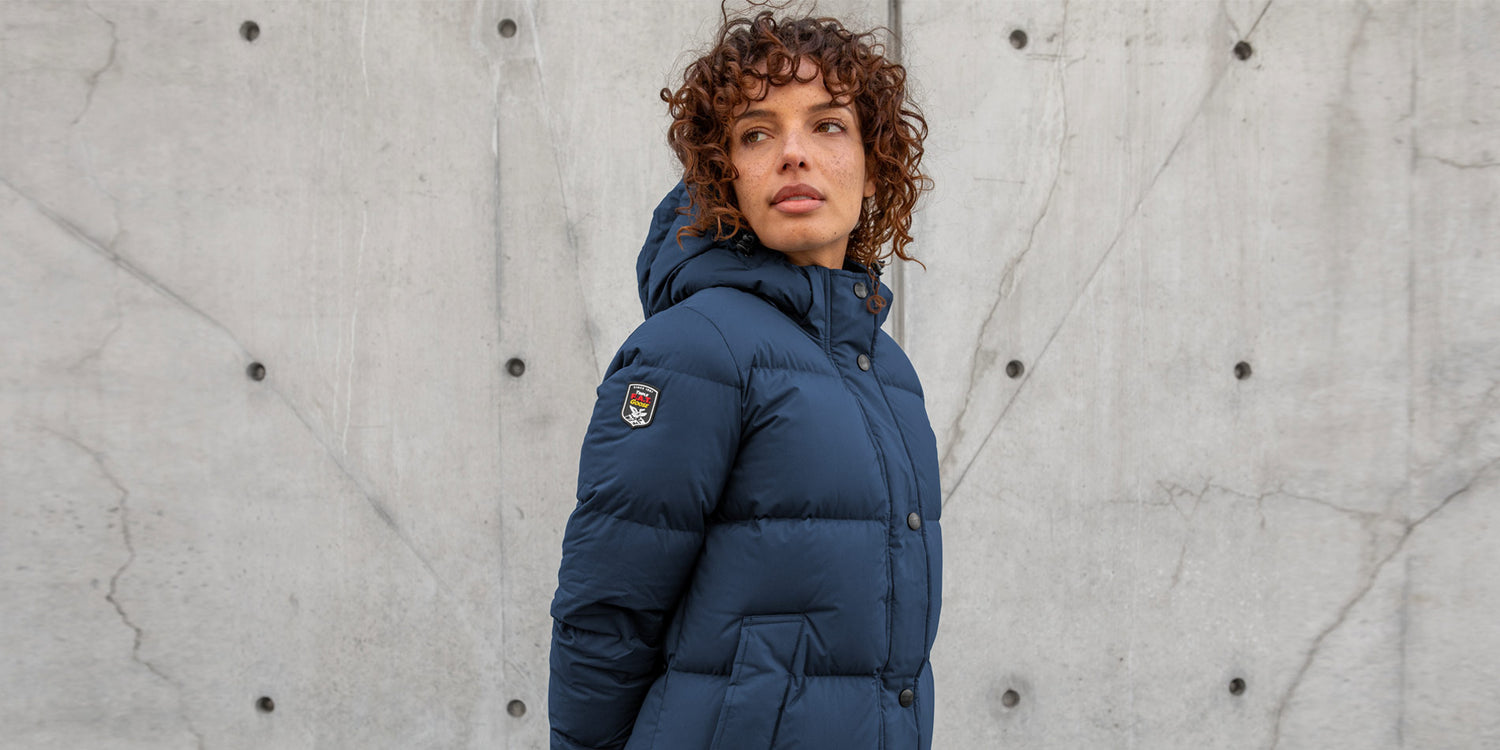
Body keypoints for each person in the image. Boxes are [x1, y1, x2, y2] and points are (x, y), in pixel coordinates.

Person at [548, 8, 940, 749]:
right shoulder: (693, 350)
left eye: (828, 125)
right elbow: (606, 612)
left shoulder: (887, 373)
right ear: (723, 174)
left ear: (873, 165)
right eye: (756, 134)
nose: (793, 154)